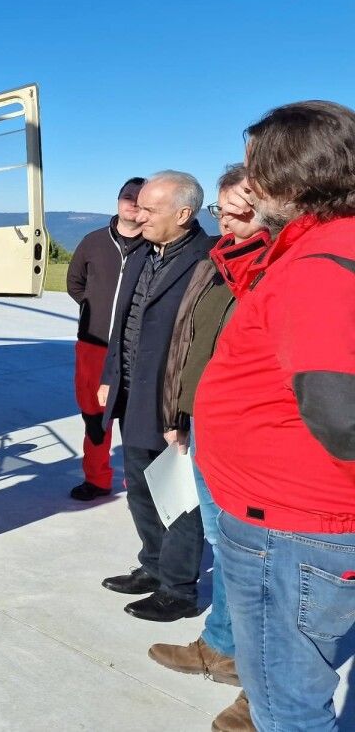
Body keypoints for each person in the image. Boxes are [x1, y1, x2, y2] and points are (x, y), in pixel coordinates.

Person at [195, 101, 355, 731]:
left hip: (288, 530)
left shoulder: (320, 268)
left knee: (287, 704)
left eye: (257, 171)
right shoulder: (323, 245)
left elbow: (341, 413)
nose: (249, 185)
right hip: (295, 519)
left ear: (289, 179)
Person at [147, 165, 270, 731]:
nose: (229, 218)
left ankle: (263, 685)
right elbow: (188, 341)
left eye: (240, 206)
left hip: (252, 441)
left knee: (255, 561)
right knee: (226, 549)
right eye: (223, 209)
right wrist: (179, 413)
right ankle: (220, 645)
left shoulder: (277, 268)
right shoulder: (221, 261)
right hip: (205, 428)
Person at [98, 171, 212, 621]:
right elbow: (121, 323)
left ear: (183, 214)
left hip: (171, 405)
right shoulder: (145, 252)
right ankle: (152, 566)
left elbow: (204, 344)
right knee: (141, 490)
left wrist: (183, 411)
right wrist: (111, 374)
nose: (138, 215)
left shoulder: (208, 261)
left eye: (149, 209)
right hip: (131, 395)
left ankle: (178, 591)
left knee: (178, 499)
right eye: (138, 206)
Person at [65, 176, 146, 500]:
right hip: (93, 344)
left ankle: (138, 485)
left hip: (135, 348)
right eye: (128, 196)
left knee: (136, 419)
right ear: (118, 201)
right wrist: (95, 309)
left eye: (140, 199)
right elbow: (75, 283)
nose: (133, 202)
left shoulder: (154, 247)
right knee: (95, 417)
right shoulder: (93, 242)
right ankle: (97, 479)